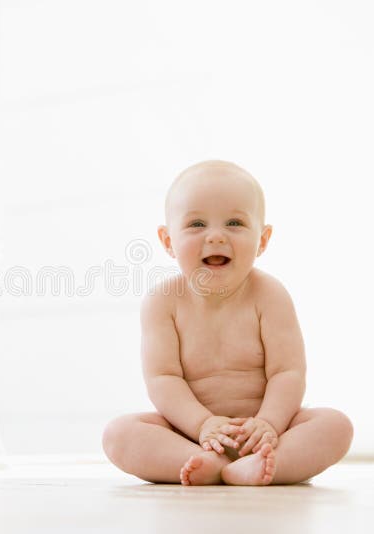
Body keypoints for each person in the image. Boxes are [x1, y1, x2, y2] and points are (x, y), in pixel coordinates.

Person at [102, 160, 353, 485]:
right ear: (167, 241)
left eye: (234, 222)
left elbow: (287, 372)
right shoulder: (163, 301)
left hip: (264, 432)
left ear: (262, 240)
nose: (216, 237)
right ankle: (205, 461)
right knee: (119, 434)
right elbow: (163, 378)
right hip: (191, 433)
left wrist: (269, 424)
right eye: (196, 224)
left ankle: (259, 464)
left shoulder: (270, 295)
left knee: (335, 425)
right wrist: (203, 425)